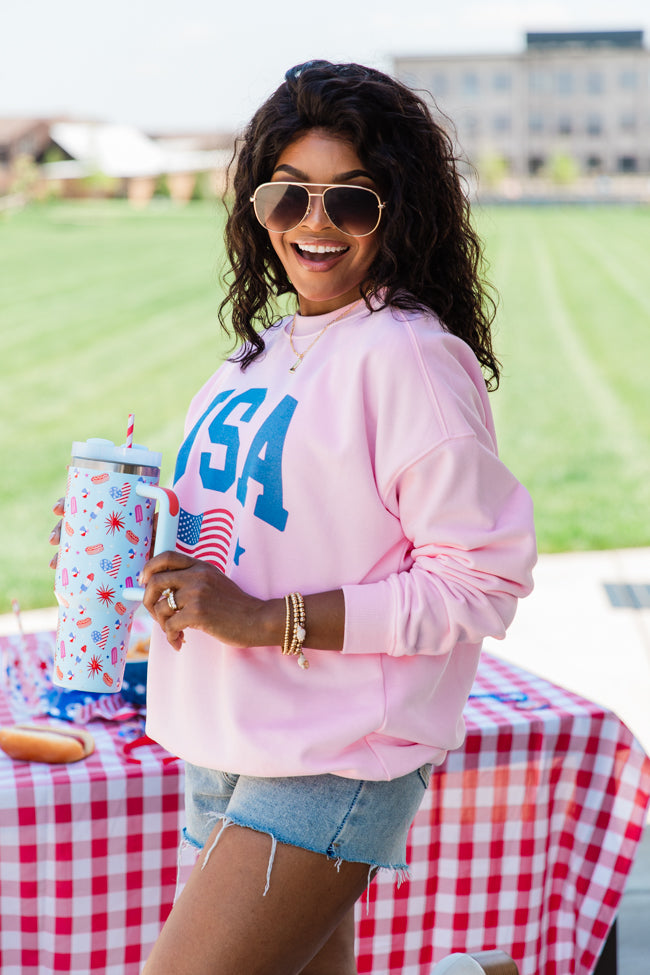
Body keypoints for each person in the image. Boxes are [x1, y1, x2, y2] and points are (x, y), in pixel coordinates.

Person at [52, 61, 536, 975]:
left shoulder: (409, 360)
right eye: (289, 195)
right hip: (225, 733)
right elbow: (249, 531)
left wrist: (267, 620)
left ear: (401, 212)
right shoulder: (261, 352)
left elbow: (482, 580)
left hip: (331, 753)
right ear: (257, 206)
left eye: (349, 201)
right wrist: (131, 547)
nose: (314, 224)